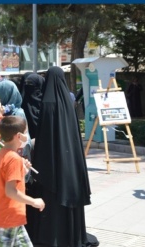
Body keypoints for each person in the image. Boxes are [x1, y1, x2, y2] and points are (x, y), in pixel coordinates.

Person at [28, 66, 95, 247]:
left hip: (52, 163)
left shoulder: (47, 103)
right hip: (70, 163)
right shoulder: (68, 101)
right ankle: (71, 235)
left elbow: (44, 138)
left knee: (52, 199)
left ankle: (52, 237)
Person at [0, 79, 33, 243]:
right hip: (0, 162)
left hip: (10, 164)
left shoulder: (17, 114)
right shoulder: (3, 111)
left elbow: (7, 139)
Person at [0, 116, 45, 247]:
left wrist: (23, 170)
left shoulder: (0, 154)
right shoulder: (13, 158)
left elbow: (3, 180)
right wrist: (33, 201)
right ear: (19, 135)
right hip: (8, 217)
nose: (27, 136)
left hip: (9, 216)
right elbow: (10, 191)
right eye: (25, 132)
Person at [21, 73, 44, 139]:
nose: (30, 88)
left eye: (33, 85)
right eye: (27, 85)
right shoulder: (22, 105)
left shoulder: (47, 103)